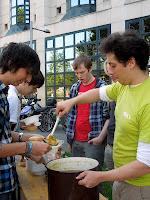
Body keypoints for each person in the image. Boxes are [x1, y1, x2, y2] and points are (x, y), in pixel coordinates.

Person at [56, 31, 150, 200]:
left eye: (112, 65)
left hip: (141, 186)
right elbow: (97, 93)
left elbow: (145, 165)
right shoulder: (123, 86)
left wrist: (101, 176)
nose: (108, 71)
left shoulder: (148, 101)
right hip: (122, 178)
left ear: (131, 63)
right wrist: (71, 102)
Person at [0, 42, 50, 200]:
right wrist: (28, 148)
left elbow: (4, 134)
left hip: (8, 179)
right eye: (28, 72)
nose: (28, 79)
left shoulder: (3, 92)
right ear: (11, 63)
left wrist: (25, 137)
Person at [66, 55, 109, 170]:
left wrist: (100, 138)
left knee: (94, 176)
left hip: (94, 140)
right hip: (75, 139)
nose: (79, 76)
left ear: (90, 69)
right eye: (76, 73)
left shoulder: (102, 87)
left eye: (82, 72)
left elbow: (109, 116)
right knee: (77, 173)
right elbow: (71, 115)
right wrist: (70, 140)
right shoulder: (74, 88)